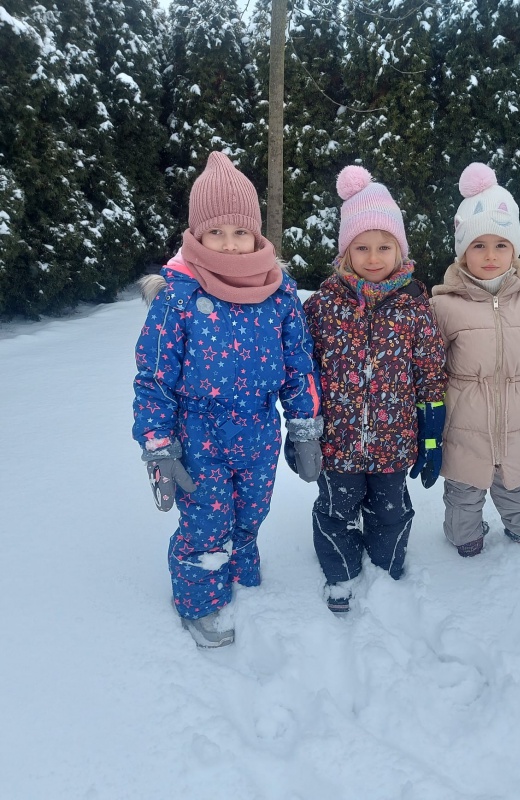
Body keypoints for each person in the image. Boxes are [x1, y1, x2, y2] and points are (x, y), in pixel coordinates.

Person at [132, 152, 322, 648]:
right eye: (215, 232)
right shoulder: (177, 297)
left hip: (259, 430)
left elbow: (299, 364)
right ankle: (199, 602)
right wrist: (158, 445)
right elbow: (154, 378)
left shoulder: (279, 293)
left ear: (257, 235)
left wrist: (304, 427)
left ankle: (240, 569)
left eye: (240, 231)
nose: (230, 243)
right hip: (199, 435)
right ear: (197, 235)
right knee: (206, 521)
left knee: (252, 511)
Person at [297, 165, 447, 613]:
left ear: (400, 250)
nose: (374, 257)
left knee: (391, 512)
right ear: (346, 251)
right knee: (335, 512)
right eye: (362, 247)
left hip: (394, 443)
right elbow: (302, 371)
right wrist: (301, 429)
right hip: (337, 444)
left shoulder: (415, 307)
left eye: (385, 246)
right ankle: (340, 573)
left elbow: (429, 371)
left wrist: (431, 432)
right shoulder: (321, 306)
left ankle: (386, 570)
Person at [429, 162, 520, 558]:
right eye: (478, 245)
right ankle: (465, 539)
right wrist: (425, 422)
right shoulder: (444, 306)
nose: (490, 255)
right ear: (463, 251)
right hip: (463, 428)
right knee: (462, 495)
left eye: (501, 244)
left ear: (515, 248)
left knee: (518, 492)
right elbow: (427, 370)